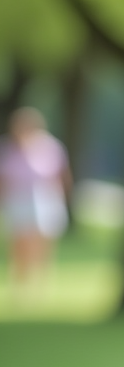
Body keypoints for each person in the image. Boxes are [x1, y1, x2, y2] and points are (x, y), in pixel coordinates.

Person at [0, 106, 71, 296]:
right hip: (18, 199)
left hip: (45, 198)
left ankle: (40, 282)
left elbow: (62, 176)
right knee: (19, 242)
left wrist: (63, 199)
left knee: (43, 241)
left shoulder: (51, 147)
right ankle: (20, 283)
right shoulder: (7, 149)